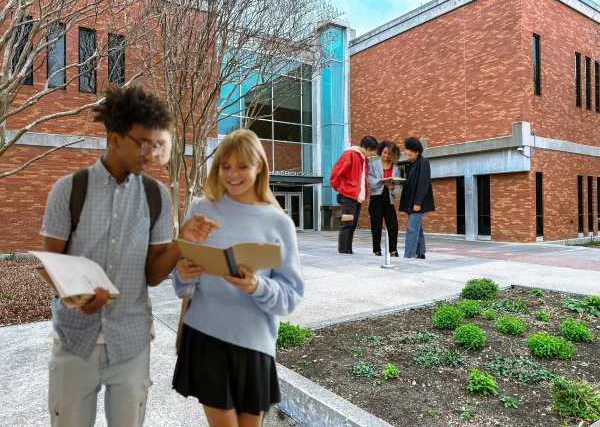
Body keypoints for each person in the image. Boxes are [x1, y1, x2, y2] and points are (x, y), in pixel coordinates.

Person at [40, 86, 212, 427]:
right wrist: (78, 298)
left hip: (131, 344)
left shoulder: (156, 196)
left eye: (156, 144)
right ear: (114, 138)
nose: (150, 153)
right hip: (75, 340)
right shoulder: (69, 190)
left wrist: (181, 242)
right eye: (142, 143)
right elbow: (50, 264)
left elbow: (152, 275)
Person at [172, 129, 304, 427]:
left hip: (255, 341)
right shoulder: (201, 210)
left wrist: (256, 285)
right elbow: (182, 286)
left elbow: (291, 297)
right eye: (225, 165)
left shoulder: (279, 222)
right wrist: (183, 272)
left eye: (242, 166)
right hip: (206, 336)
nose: (233, 174)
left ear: (259, 167)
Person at [330, 136, 378, 254]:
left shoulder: (364, 159)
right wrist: (344, 190)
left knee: (353, 224)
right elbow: (335, 175)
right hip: (348, 197)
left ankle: (348, 249)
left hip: (357, 198)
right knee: (347, 224)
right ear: (366, 148)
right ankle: (343, 250)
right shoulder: (350, 154)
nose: (372, 154)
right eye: (371, 151)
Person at [399, 137, 435, 259]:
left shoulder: (423, 162)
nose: (407, 157)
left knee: (412, 229)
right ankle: (421, 252)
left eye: (410, 155)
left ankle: (408, 255)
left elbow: (424, 183)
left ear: (417, 152)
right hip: (410, 202)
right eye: (406, 154)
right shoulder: (411, 164)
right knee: (417, 227)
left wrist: (418, 202)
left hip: (417, 202)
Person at [368, 140, 401, 257]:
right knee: (376, 225)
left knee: (393, 225)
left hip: (389, 200)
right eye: (385, 152)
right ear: (381, 151)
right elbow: (370, 181)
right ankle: (376, 249)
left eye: (389, 154)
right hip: (376, 199)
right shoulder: (373, 164)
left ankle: (393, 250)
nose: (386, 155)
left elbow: (398, 188)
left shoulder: (396, 168)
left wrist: (391, 187)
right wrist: (382, 181)